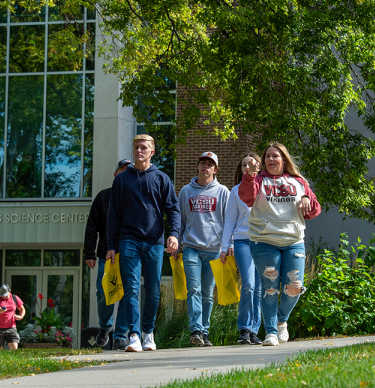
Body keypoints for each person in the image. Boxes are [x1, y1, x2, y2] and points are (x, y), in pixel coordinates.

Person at [238, 142, 321, 346]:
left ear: (284, 159)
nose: (270, 159)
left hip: (293, 241)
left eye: (275, 156)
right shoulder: (258, 180)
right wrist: (249, 176)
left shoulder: (299, 182)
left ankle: (282, 319)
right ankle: (271, 332)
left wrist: (306, 200)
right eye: (267, 156)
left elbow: (314, 210)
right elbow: (247, 197)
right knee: (270, 288)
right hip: (264, 241)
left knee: (294, 286)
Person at [106, 134, 181, 352]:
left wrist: (174, 234)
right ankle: (134, 336)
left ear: (152, 152)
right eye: (136, 147)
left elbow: (173, 210)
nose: (139, 151)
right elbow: (114, 216)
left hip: (155, 242)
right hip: (128, 240)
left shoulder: (162, 178)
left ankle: (149, 332)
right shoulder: (121, 180)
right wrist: (111, 245)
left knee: (153, 290)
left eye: (143, 147)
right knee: (130, 288)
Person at [175, 152, 230, 347]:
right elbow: (179, 220)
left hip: (214, 249)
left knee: (207, 292)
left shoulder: (223, 191)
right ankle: (195, 330)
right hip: (191, 247)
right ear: (197, 167)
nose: (205, 167)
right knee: (194, 289)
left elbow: (229, 220)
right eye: (202, 163)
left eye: (210, 164)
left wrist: (228, 244)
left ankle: (205, 331)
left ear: (215, 170)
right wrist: (176, 241)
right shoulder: (186, 191)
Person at [83, 159, 131, 350]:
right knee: (103, 293)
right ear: (115, 175)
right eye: (122, 172)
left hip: (129, 255)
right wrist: (89, 253)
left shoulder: (136, 197)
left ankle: (120, 335)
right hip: (106, 255)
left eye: (129, 172)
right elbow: (91, 228)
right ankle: (105, 327)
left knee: (128, 295)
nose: (125, 175)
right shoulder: (103, 197)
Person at [220, 152, 263, 345]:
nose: (247, 167)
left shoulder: (266, 188)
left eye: (251, 164)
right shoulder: (235, 191)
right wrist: (224, 246)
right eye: (244, 164)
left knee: (260, 289)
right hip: (242, 241)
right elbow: (230, 220)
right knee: (249, 284)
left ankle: (255, 330)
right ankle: (244, 329)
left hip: (263, 243)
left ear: (259, 168)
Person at [0, 284, 26, 349]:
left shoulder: (15, 298)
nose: (4, 296)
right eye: (2, 295)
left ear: (9, 291)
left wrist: (21, 316)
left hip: (11, 328)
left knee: (14, 350)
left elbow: (22, 309)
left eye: (5, 294)